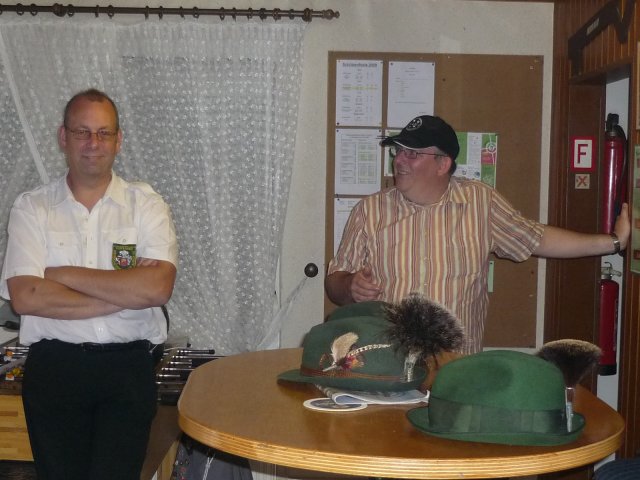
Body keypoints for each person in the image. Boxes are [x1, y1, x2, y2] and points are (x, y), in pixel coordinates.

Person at [325, 115, 630, 355]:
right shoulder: (370, 211)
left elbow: (537, 239)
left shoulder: (480, 203)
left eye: (413, 153)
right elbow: (334, 281)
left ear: (443, 164)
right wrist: (350, 286)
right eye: (399, 151)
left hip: (456, 369)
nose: (399, 160)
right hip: (387, 363)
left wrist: (613, 242)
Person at [0, 89, 178, 480]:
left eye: (103, 132)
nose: (93, 143)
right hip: (55, 370)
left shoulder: (147, 206)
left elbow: (157, 289)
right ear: (63, 137)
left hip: (127, 370)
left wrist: (60, 273)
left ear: (118, 140)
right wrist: (125, 292)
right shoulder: (32, 208)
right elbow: (26, 296)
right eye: (82, 132)